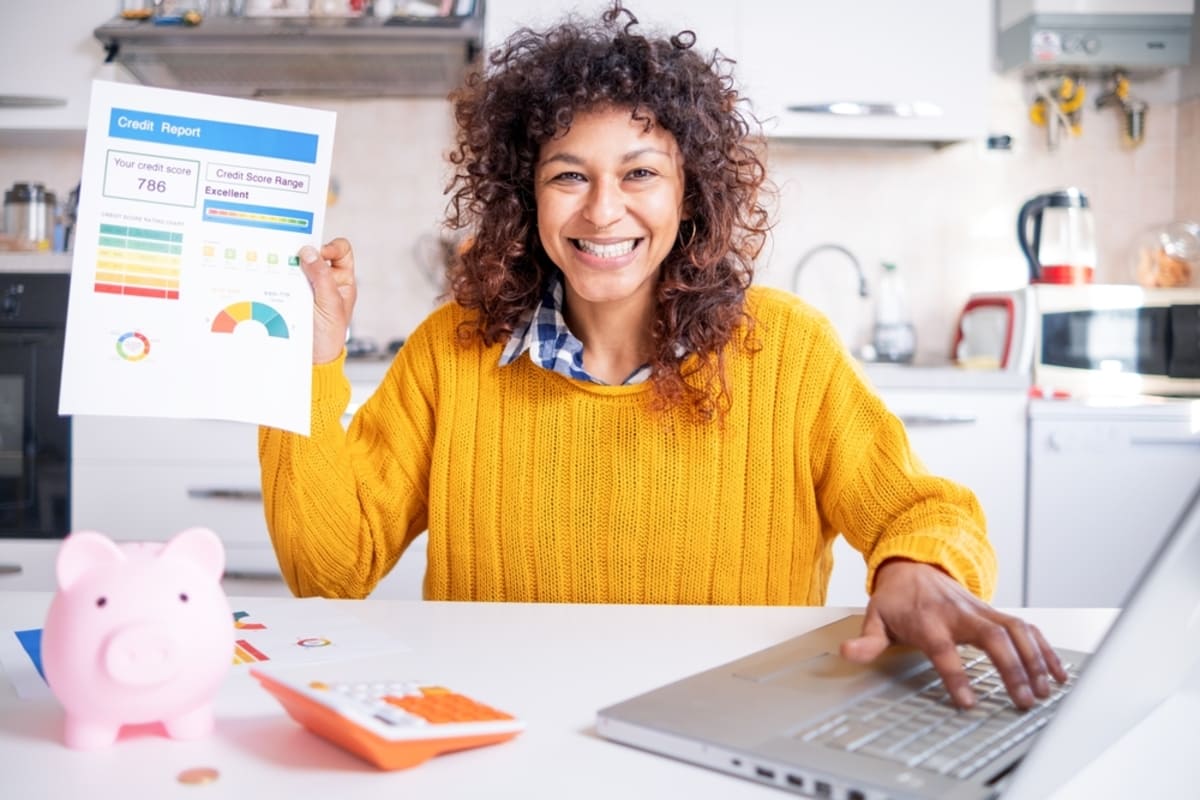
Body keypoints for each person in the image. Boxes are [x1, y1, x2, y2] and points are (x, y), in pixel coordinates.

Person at [259, 2, 1067, 711]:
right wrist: (309, 359)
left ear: (690, 197)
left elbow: (923, 512)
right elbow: (330, 571)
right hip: (501, 734)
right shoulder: (453, 352)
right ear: (525, 195)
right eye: (569, 175)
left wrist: (916, 567)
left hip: (729, 730)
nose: (604, 210)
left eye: (640, 173)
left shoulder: (787, 350)